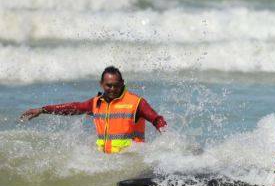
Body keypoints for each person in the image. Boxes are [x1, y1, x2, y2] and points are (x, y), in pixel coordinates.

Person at [19, 66, 167, 154]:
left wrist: (168, 141)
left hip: (130, 160)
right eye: (109, 85)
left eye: (116, 85)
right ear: (101, 84)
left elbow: (156, 119)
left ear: (122, 83)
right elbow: (74, 108)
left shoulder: (136, 102)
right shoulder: (96, 103)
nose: (112, 89)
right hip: (104, 161)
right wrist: (43, 109)